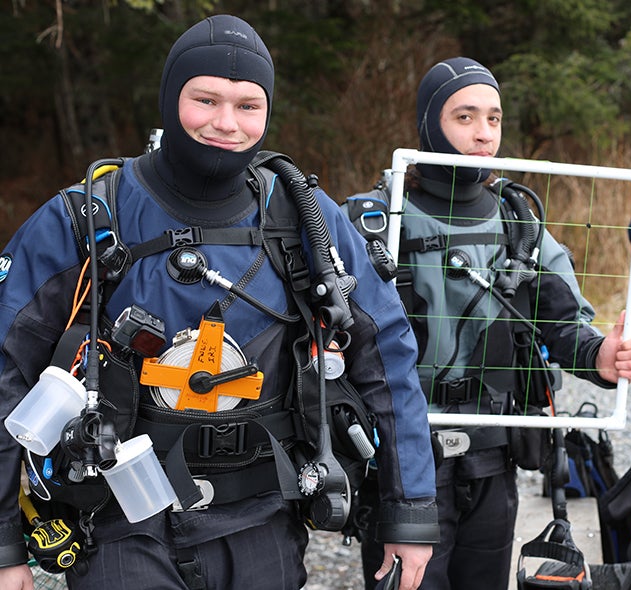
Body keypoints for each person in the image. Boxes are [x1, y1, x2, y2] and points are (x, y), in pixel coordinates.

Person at [0, 15, 437, 590]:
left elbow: (388, 357)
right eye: (205, 99)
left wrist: (410, 513)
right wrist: (6, 544)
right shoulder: (84, 217)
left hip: (265, 523)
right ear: (168, 98)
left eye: (247, 105)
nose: (226, 123)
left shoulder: (301, 216)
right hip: (120, 528)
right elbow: (5, 372)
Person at [344, 57, 631, 590]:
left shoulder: (518, 221)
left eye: (494, 118)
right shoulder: (378, 220)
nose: (483, 134)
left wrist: (602, 356)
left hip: (492, 455)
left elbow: (560, 323)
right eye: (465, 117)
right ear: (429, 124)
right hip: (407, 455)